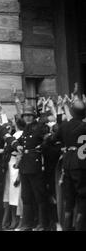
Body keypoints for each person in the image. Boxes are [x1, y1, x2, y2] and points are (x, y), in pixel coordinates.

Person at [48, 92, 86, 231]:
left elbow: (52, 139)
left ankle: (67, 228)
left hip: (68, 164)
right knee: (83, 199)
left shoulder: (64, 126)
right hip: (82, 164)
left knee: (68, 201)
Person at [13, 104, 49, 231]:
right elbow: (21, 141)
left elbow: (47, 140)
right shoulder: (26, 129)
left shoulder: (40, 127)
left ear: (34, 116)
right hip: (24, 166)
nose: (27, 118)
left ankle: (42, 224)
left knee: (39, 196)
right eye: (25, 116)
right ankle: (27, 223)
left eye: (29, 115)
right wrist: (16, 144)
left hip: (35, 165)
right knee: (26, 196)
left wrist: (40, 149)